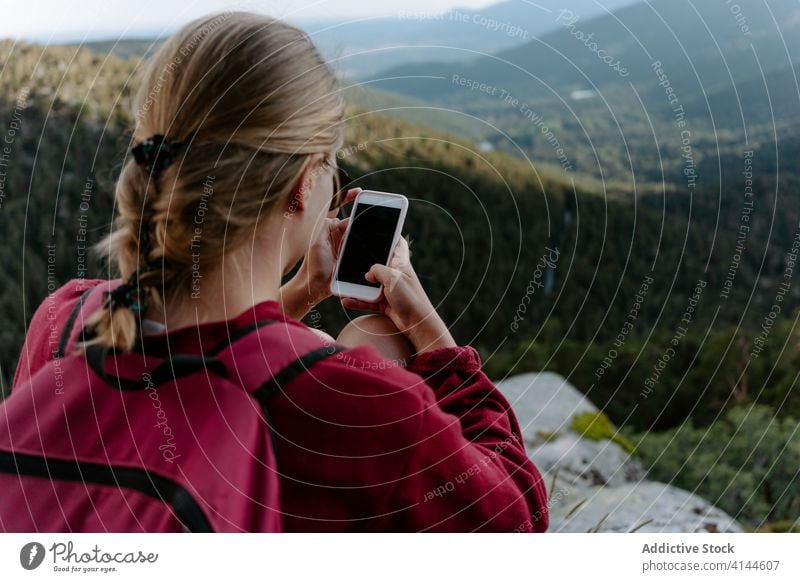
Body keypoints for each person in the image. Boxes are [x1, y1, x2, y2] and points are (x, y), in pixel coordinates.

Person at [3, 11, 548, 532]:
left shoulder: (66, 316)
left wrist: (300, 292)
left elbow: (212, 351)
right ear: (305, 184)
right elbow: (515, 516)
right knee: (376, 337)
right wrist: (431, 333)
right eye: (330, 165)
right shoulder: (355, 405)